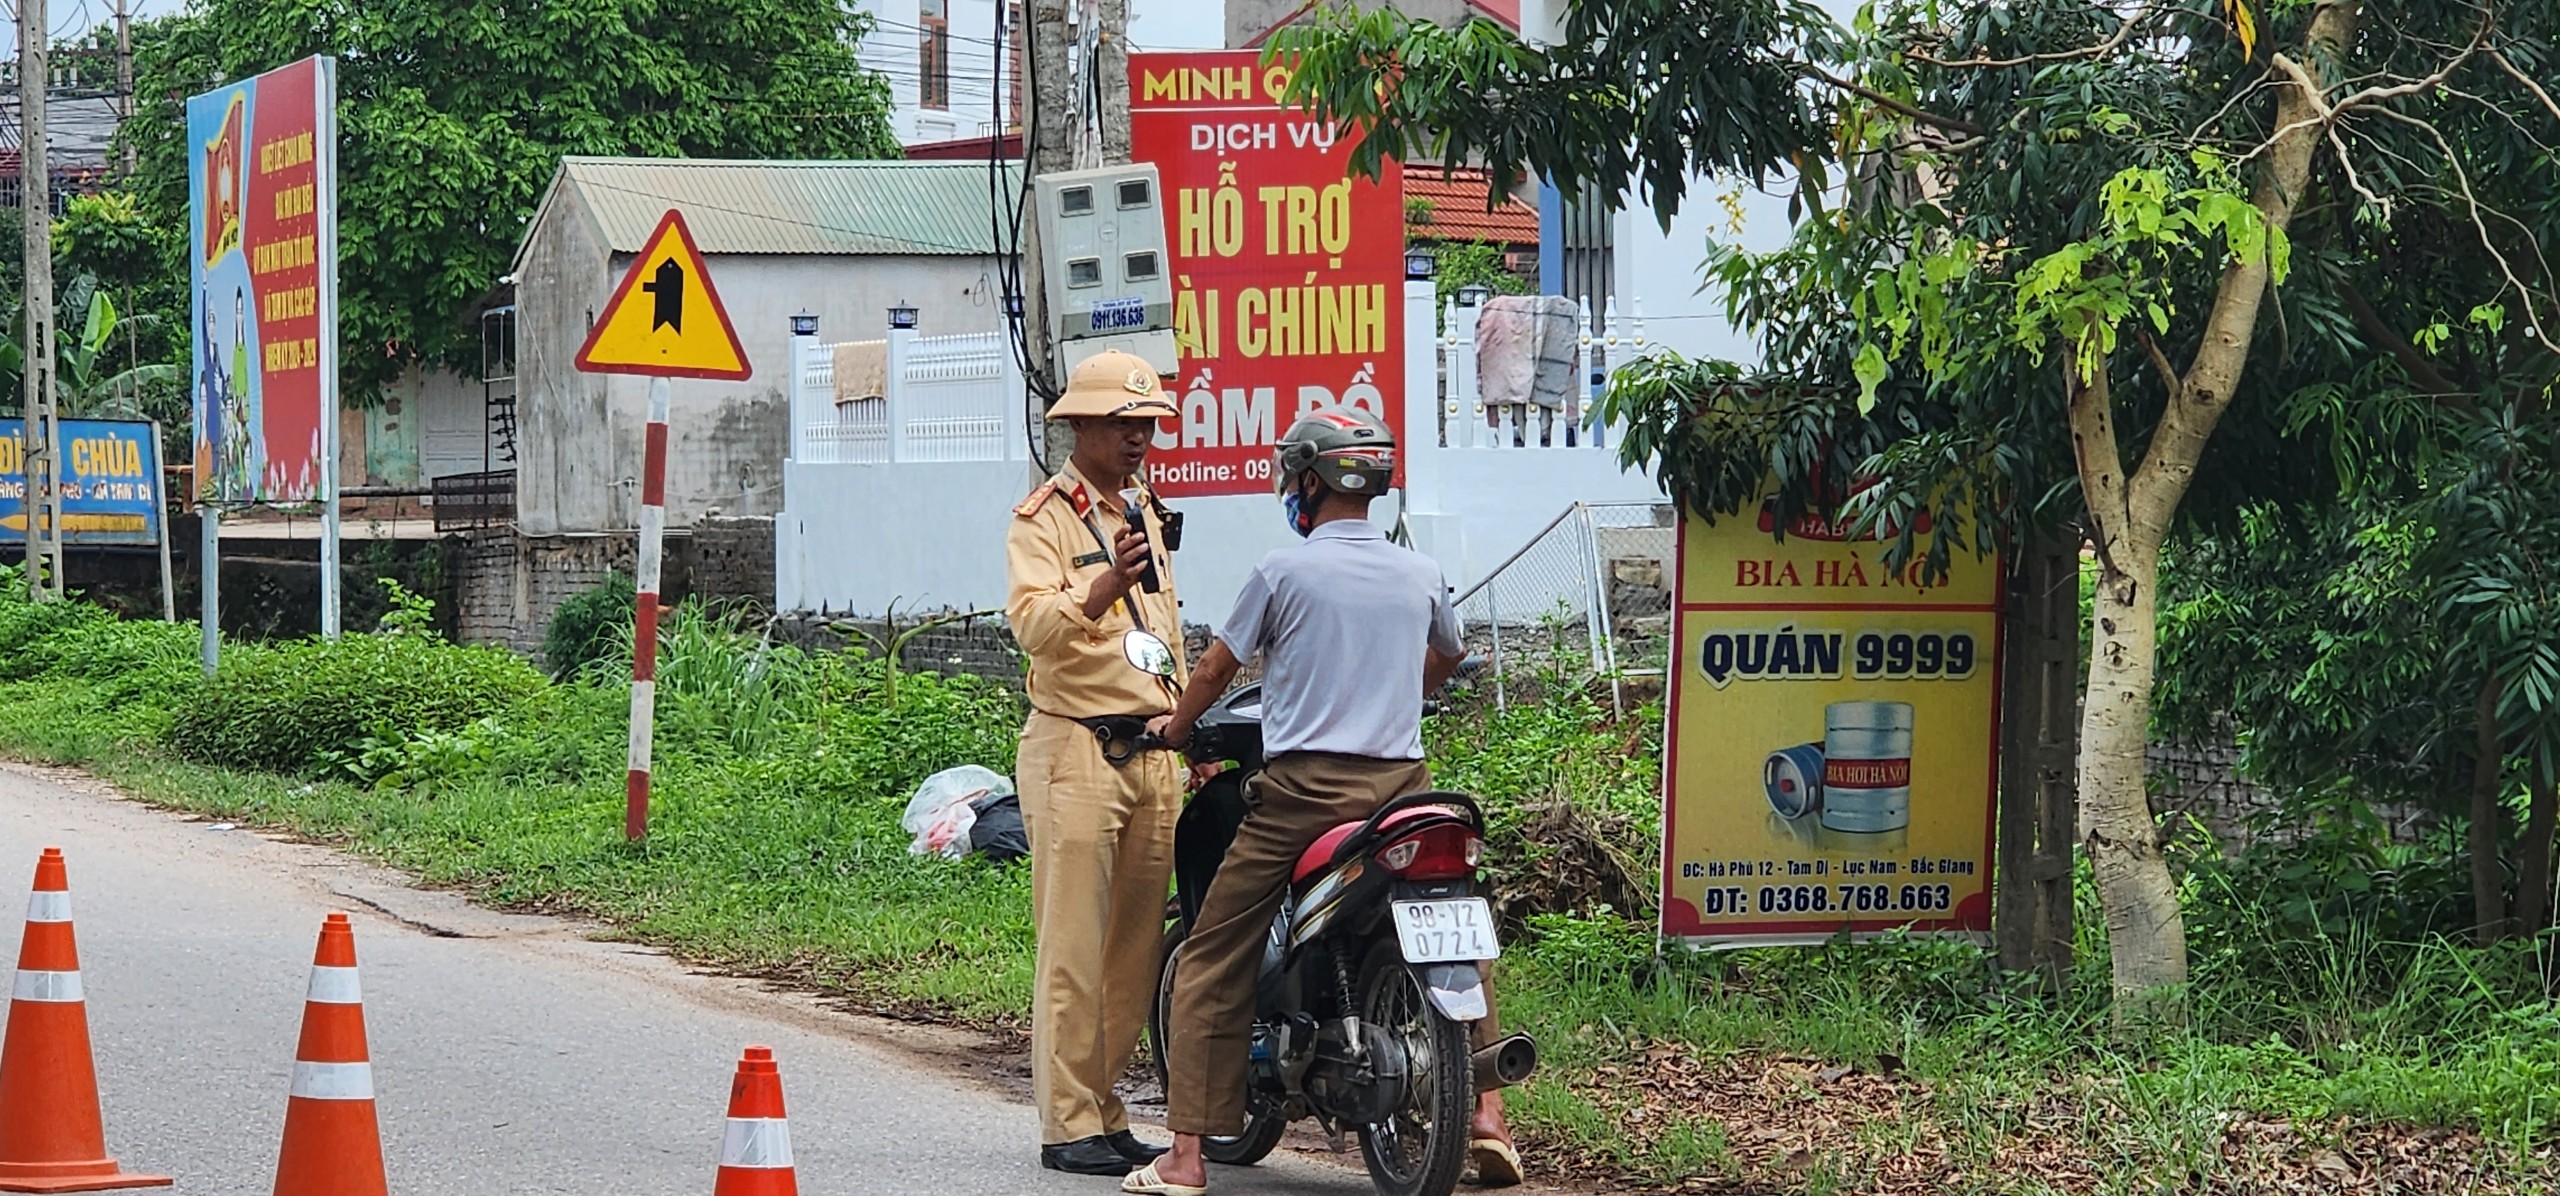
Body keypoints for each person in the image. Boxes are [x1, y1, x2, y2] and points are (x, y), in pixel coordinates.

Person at [1127, 409, 1523, 1196]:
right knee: (1461, 937)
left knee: (1209, 954)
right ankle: (1488, 1116)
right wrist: (1399, 698)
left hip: (1303, 799)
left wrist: (1174, 728)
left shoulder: (1284, 571)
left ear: (1309, 481)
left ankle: (1185, 1157)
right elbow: (1449, 653)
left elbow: (1214, 671)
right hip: (1405, 795)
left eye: (1292, 476)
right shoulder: (1420, 571)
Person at [1005, 349, 1190, 1177]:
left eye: (1145, 423)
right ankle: (1065, 1122)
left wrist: (1186, 725)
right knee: (1074, 947)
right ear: (1079, 425)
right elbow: (1034, 628)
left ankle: (1105, 1109)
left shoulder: (1144, 507)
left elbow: (1165, 634)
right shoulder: (1042, 519)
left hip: (1152, 751)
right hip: (1076, 747)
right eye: (1121, 423)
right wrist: (1101, 588)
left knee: (1134, 951)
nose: (1138, 437)